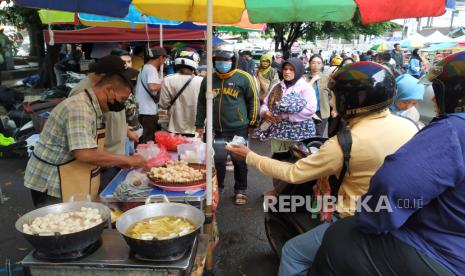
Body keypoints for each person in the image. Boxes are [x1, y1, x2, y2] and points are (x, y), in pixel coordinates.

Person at [227, 61, 419, 276]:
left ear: (348, 99)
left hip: (354, 219)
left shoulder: (344, 143)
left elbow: (293, 173)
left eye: (334, 94)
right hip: (399, 212)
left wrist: (250, 156)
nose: (331, 99)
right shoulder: (410, 126)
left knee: (292, 253)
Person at [310, 51, 465, 276]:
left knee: (338, 236)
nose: (433, 98)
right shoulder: (408, 124)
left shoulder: (452, 130)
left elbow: (394, 184)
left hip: (439, 251)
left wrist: (369, 221)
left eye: (438, 90)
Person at [24, 59, 145, 207]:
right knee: (57, 226)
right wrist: (128, 160)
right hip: (51, 181)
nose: (122, 104)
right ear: (108, 89)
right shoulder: (80, 108)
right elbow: (85, 153)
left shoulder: (93, 106)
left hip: (70, 175)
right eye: (122, 99)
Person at [195, 42, 259, 205]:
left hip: (239, 129)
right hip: (216, 129)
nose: (222, 63)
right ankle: (219, 186)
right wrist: (199, 123)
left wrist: (252, 123)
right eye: (218, 59)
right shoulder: (209, 80)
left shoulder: (244, 78)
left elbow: (254, 101)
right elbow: (202, 102)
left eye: (226, 59)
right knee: (218, 160)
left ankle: (240, 189)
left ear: (233, 60)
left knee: (239, 160)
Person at [257, 57, 317, 196]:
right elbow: (266, 102)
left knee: (297, 162)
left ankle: (295, 194)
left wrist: (285, 116)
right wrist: (265, 112)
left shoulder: (305, 88)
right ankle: (278, 190)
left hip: (299, 132)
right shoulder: (277, 86)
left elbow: (310, 110)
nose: (287, 72)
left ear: (299, 71)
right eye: (285, 69)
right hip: (278, 131)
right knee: (278, 160)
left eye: (291, 69)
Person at [159, 49, 203, 135]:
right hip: (197, 129)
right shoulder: (202, 81)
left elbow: (163, 104)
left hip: (174, 129)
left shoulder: (168, 80)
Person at [135, 46, 168, 143]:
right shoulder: (151, 69)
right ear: (160, 58)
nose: (164, 61)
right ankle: (144, 158)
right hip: (148, 111)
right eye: (164, 58)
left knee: (142, 138)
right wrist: (164, 84)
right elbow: (153, 87)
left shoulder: (143, 68)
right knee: (147, 140)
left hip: (141, 109)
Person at [307, 54, 331, 136]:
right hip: (307, 112)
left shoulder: (327, 78)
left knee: (318, 135)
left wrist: (334, 109)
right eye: (313, 63)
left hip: (322, 112)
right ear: (309, 64)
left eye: (319, 63)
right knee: (307, 135)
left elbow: (332, 95)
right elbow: (304, 93)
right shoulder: (304, 78)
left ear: (322, 65)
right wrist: (313, 79)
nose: (316, 65)